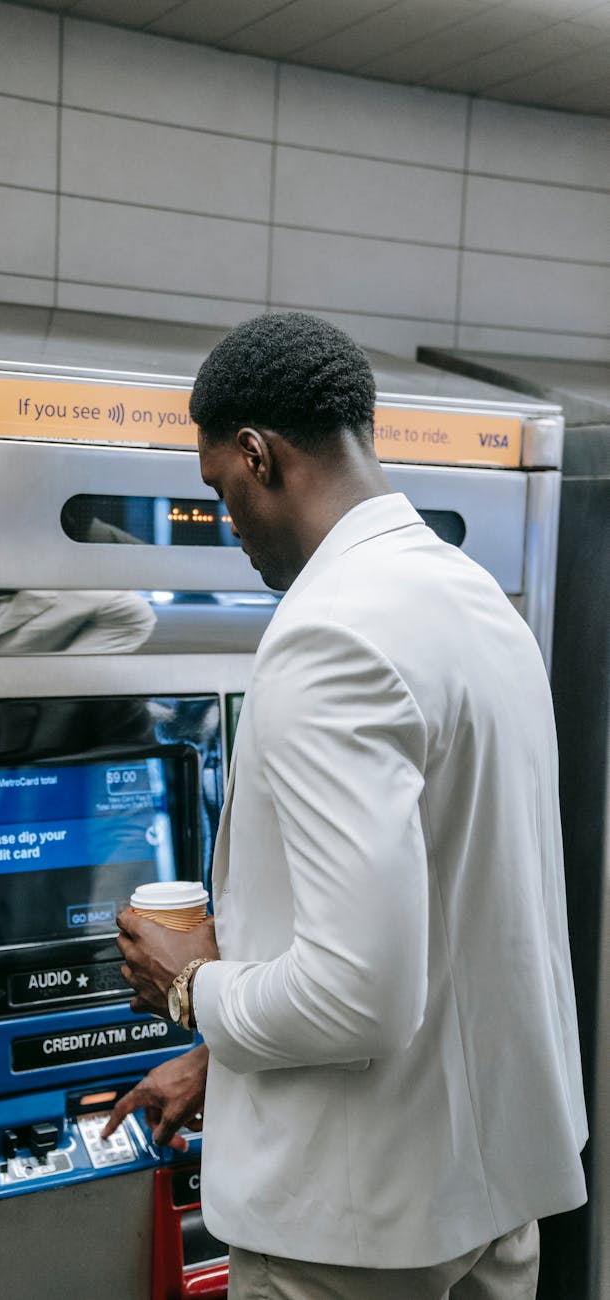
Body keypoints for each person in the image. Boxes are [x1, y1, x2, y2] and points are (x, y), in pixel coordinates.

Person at [101, 311, 587, 1299]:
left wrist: (193, 989)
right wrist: (222, 1064)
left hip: (352, 1236)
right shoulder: (475, 598)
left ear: (258, 454)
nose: (229, 525)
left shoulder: (329, 635)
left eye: (223, 491)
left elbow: (359, 991)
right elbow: (459, 920)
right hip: (488, 1199)